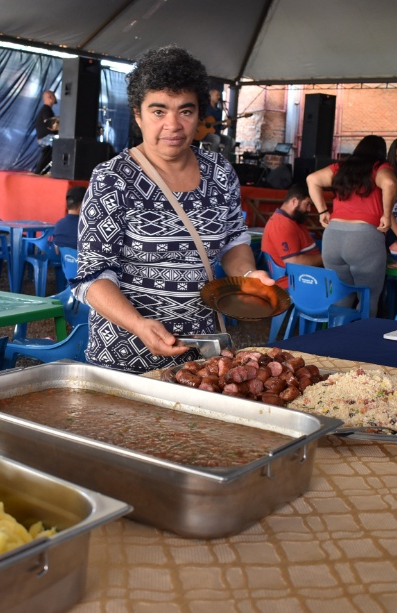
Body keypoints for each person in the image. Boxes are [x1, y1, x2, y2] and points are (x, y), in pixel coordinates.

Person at [72, 45, 272, 374]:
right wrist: (138, 324)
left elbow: (234, 238)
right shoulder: (113, 178)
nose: (173, 124)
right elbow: (91, 277)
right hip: (125, 357)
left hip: (203, 358)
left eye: (186, 111)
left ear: (199, 115)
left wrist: (248, 277)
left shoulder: (219, 172)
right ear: (137, 113)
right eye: (159, 110)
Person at [306, 134, 395, 317]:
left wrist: (323, 212)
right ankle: (360, 343)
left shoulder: (342, 168)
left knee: (341, 297)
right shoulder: (379, 167)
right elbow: (389, 182)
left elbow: (312, 179)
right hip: (364, 237)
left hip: (332, 238)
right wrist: (386, 215)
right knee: (368, 298)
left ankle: (335, 340)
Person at [260, 183, 322, 288]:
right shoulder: (281, 225)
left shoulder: (293, 221)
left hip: (307, 278)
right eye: (307, 204)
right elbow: (293, 262)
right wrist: (326, 258)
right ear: (294, 201)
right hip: (295, 284)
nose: (309, 209)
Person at [52, 185, 86, 251]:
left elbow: (57, 252)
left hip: (63, 260)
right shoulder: (86, 227)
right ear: (82, 205)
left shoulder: (59, 224)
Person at [34, 90, 59, 175]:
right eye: (53, 96)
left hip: (45, 138)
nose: (55, 98)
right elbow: (51, 125)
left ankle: (43, 171)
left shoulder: (47, 110)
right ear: (50, 98)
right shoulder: (46, 110)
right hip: (46, 139)